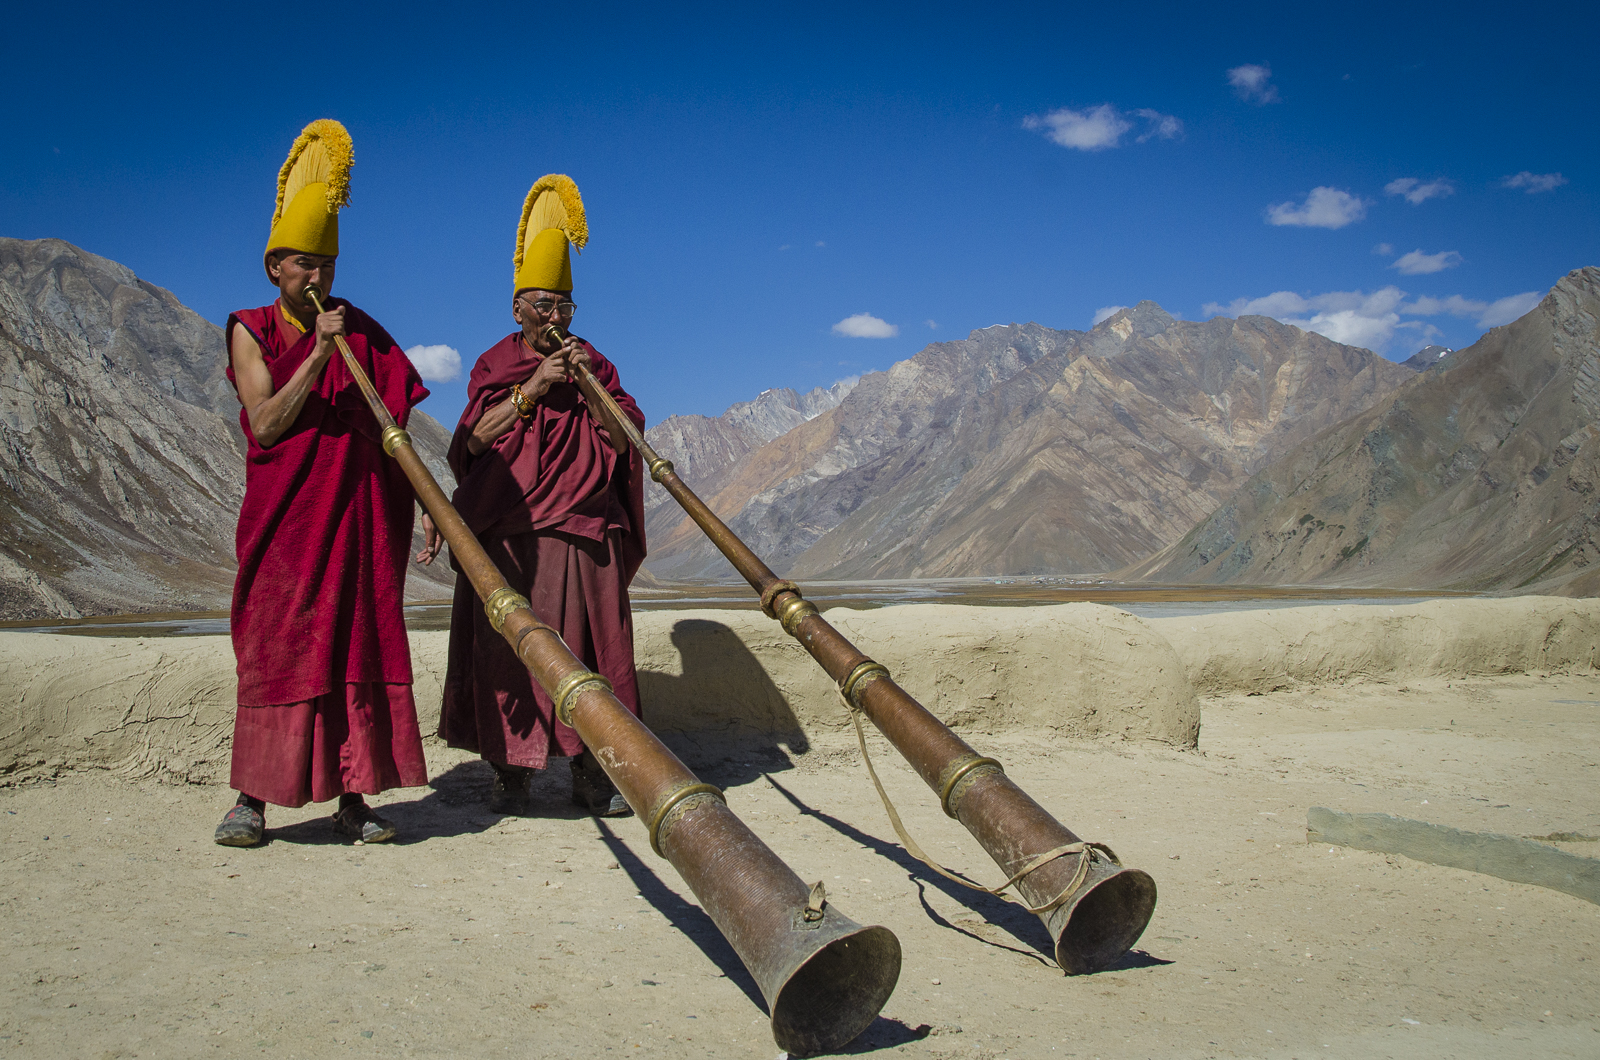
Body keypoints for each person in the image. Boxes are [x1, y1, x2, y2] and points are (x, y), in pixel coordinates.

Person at [213, 119, 430, 847]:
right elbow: (267, 423)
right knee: (278, 646)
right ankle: (251, 799)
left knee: (357, 645)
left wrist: (429, 502)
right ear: (275, 265)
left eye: (328, 268)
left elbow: (394, 417)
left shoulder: (360, 330)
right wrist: (317, 353)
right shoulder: (250, 329)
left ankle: (355, 798)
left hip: (362, 522)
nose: (318, 280)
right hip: (289, 527)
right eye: (305, 266)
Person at [437, 174, 646, 817]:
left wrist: (585, 386)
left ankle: (594, 771)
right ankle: (513, 773)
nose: (554, 319)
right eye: (543, 306)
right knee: (509, 655)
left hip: (586, 526)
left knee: (596, 652)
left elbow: (628, 435)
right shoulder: (495, 365)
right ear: (517, 308)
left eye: (564, 307)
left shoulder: (596, 365)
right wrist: (533, 389)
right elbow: (471, 442)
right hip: (513, 531)